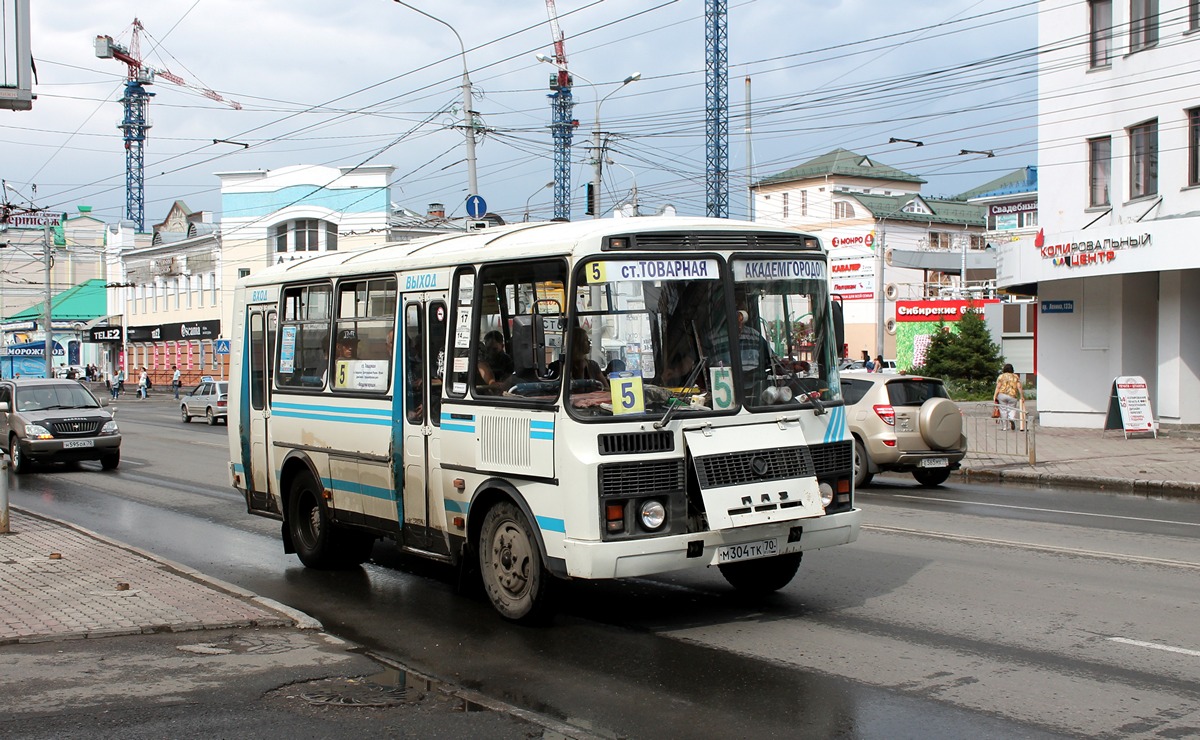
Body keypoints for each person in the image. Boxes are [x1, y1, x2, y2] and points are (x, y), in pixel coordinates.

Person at [993, 363, 1025, 431]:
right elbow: (1019, 387)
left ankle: (1004, 427)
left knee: (1003, 410)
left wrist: (995, 396)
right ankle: (1011, 419)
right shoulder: (1015, 377)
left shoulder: (1001, 376)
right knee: (1012, 409)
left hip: (1002, 395)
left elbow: (998, 387)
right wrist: (1022, 396)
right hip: (1012, 395)